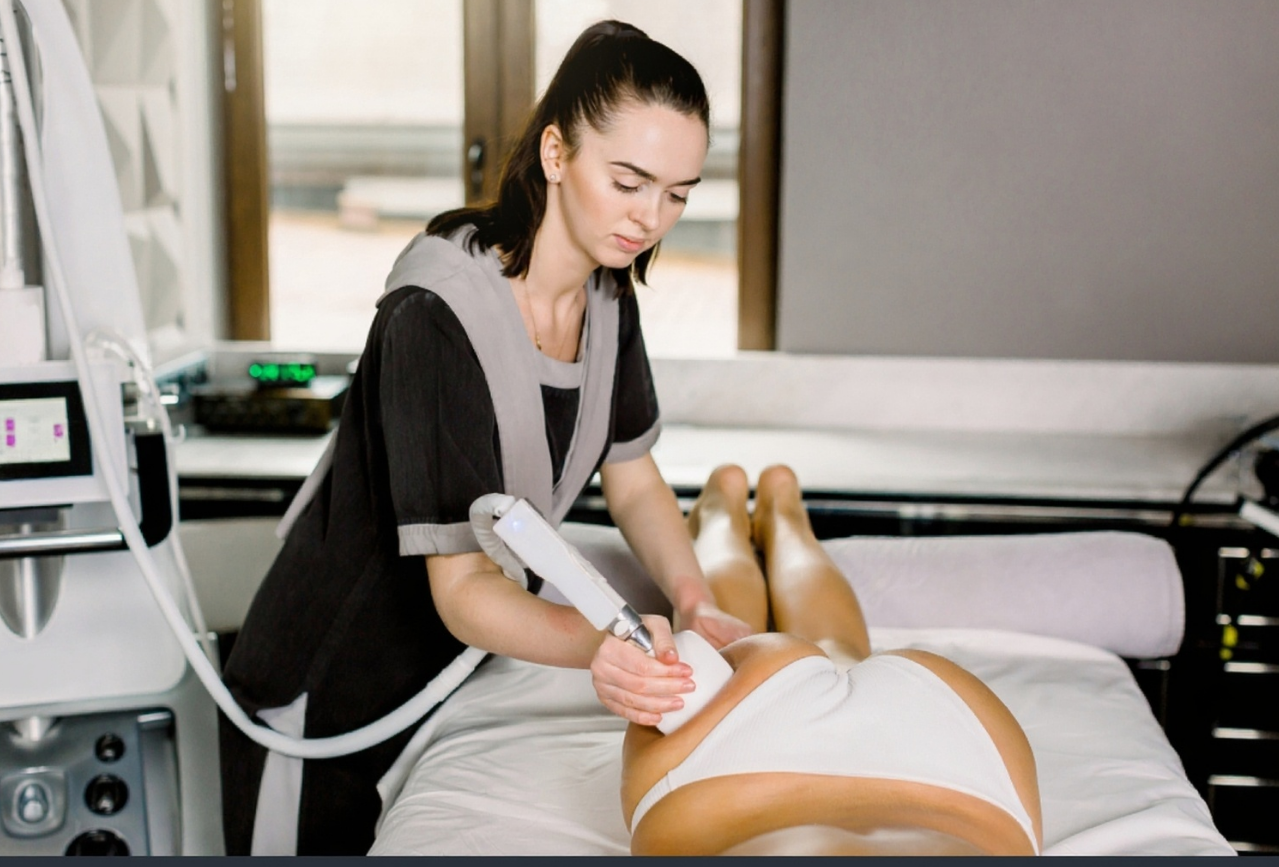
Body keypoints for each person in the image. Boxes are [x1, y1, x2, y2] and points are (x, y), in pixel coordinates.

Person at [217, 21, 750, 855]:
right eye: (629, 181)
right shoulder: (437, 314)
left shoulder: (608, 302)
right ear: (555, 153)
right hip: (328, 692)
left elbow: (634, 478)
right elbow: (462, 584)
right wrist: (606, 645)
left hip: (444, 683)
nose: (652, 218)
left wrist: (691, 598)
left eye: (677, 193)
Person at [619, 464, 1044, 856]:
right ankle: (770, 515)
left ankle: (759, 512)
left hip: (956, 782)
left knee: (820, 646)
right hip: (954, 785)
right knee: (781, 645)